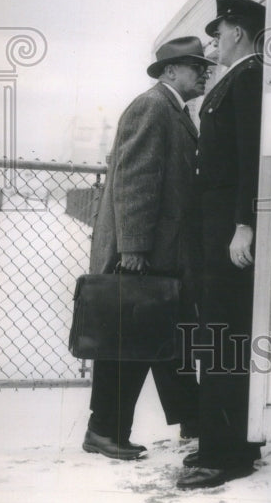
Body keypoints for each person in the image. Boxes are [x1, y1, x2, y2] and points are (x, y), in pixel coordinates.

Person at [83, 36, 215, 460]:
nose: (203, 73)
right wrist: (134, 248)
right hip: (143, 256)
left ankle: (193, 418)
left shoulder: (173, 110)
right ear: (171, 71)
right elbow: (135, 180)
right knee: (128, 343)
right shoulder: (154, 106)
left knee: (163, 337)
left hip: (162, 254)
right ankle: (103, 431)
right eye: (196, 67)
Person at [177, 0, 271, 489]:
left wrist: (245, 223)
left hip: (234, 226)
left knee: (225, 335)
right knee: (225, 333)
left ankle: (226, 456)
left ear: (238, 31)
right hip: (222, 224)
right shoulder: (238, 79)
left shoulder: (253, 77)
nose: (212, 40)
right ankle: (231, 442)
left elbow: (259, 160)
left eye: (217, 31)